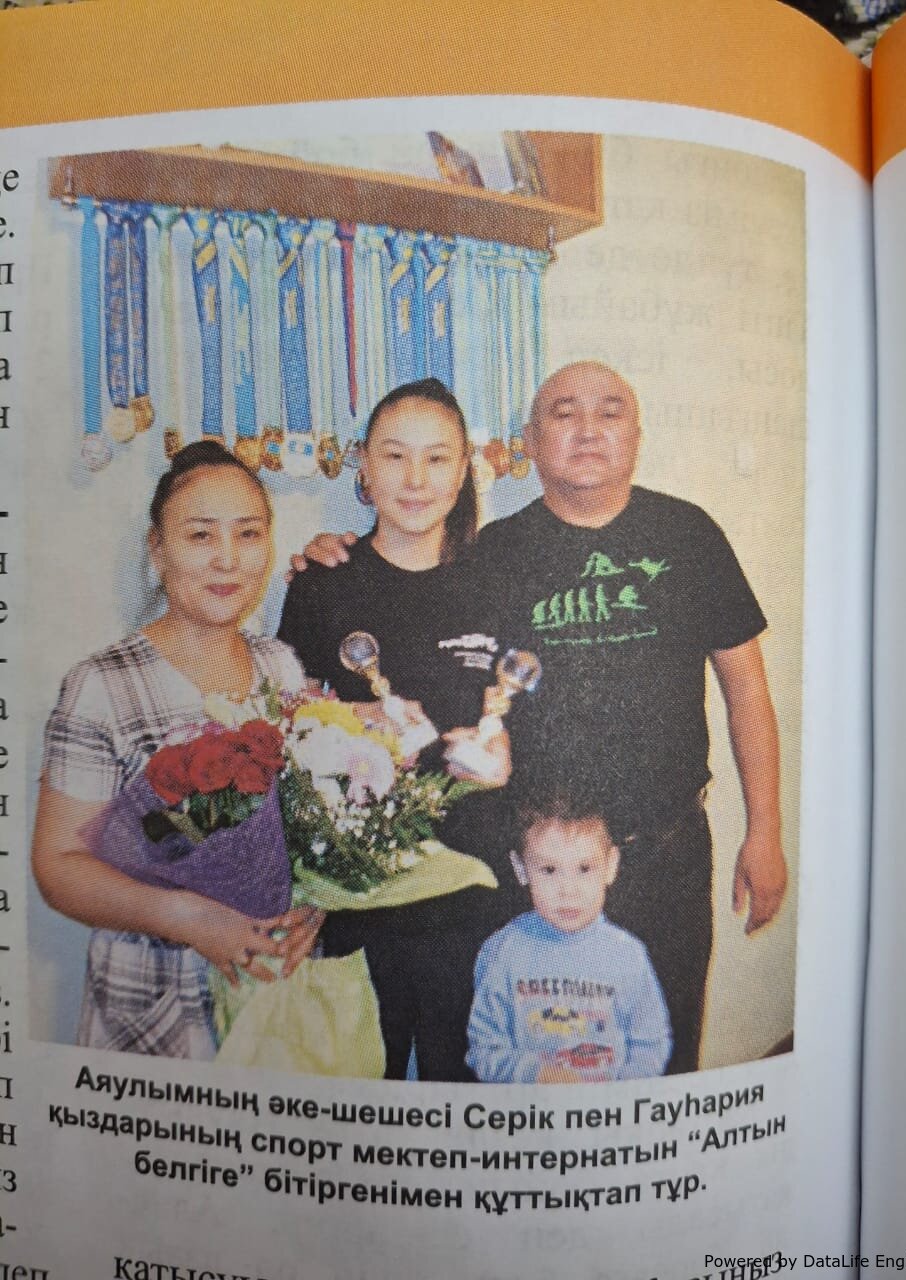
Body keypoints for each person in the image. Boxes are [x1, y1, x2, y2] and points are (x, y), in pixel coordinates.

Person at [294, 360, 787, 1074]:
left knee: (661, 1059)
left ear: (638, 434)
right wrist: (323, 553)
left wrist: (764, 831)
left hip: (666, 852)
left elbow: (748, 687)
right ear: (528, 441)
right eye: (563, 413)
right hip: (535, 868)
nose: (588, 429)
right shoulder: (493, 556)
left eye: (610, 412)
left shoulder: (688, 534)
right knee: (538, 1068)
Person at [32, 442, 320, 1059]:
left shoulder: (282, 669)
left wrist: (318, 905)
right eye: (200, 535)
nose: (227, 558)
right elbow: (58, 866)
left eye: (248, 533)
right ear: (157, 549)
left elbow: (315, 829)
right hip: (154, 999)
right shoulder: (103, 685)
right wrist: (185, 917)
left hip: (273, 996)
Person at [276, 377, 511, 1082]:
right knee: (355, 1101)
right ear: (363, 466)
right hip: (354, 894)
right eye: (394, 455)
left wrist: (502, 759)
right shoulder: (322, 583)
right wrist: (358, 721)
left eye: (437, 459)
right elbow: (283, 726)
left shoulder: (495, 584)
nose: (415, 479)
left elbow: (521, 719)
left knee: (459, 1100)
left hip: (468, 891)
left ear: (463, 472)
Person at [467, 785, 671, 1084]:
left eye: (584, 869)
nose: (568, 891)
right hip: (527, 1108)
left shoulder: (628, 955)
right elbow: (485, 1050)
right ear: (521, 869)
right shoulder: (502, 952)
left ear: (611, 865)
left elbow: (650, 1046)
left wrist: (619, 1097)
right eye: (549, 870)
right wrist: (535, 1074)